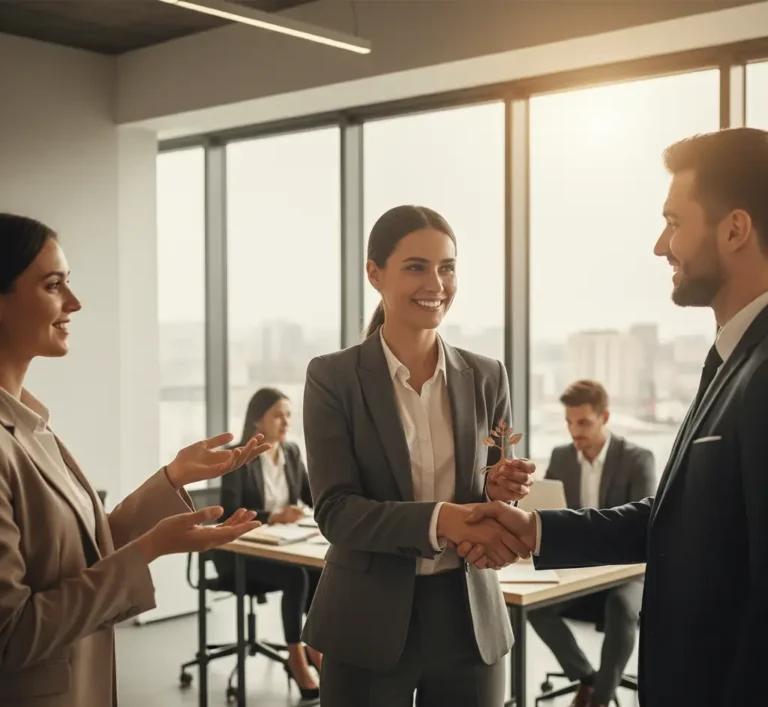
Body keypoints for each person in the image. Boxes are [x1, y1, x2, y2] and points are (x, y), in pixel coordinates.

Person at [459, 127, 768, 707]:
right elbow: (676, 516)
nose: (660, 245)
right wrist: (539, 532)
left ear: (735, 229)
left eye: (674, 222)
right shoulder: (730, 358)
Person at [0, 213, 268, 707]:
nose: (75, 303)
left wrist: (173, 478)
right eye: (54, 285)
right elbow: (11, 636)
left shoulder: (32, 424)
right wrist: (147, 551)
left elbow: (82, 554)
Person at [301, 204, 536, 707]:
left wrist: (499, 493)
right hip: (367, 618)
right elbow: (337, 512)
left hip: (470, 616)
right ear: (374, 273)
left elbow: (485, 491)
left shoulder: (488, 374)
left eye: (447, 267)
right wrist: (442, 520)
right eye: (416, 266)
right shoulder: (333, 378)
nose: (437, 282)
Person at [527, 380, 654, 707]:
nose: (574, 432)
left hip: (626, 573)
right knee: (534, 607)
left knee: (623, 608)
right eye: (569, 422)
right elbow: (552, 512)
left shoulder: (637, 459)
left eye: (583, 422)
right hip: (577, 571)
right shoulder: (561, 457)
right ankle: (585, 677)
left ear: (604, 417)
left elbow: (642, 531)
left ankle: (600, 697)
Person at [214, 387, 321, 699]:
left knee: (319, 574)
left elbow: (309, 497)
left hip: (283, 547)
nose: (286, 422)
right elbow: (229, 512)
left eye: (288, 415)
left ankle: (315, 647)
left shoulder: (291, 452)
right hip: (241, 555)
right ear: (257, 421)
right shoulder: (238, 456)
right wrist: (274, 515)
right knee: (297, 576)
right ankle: (296, 657)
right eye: (278, 415)